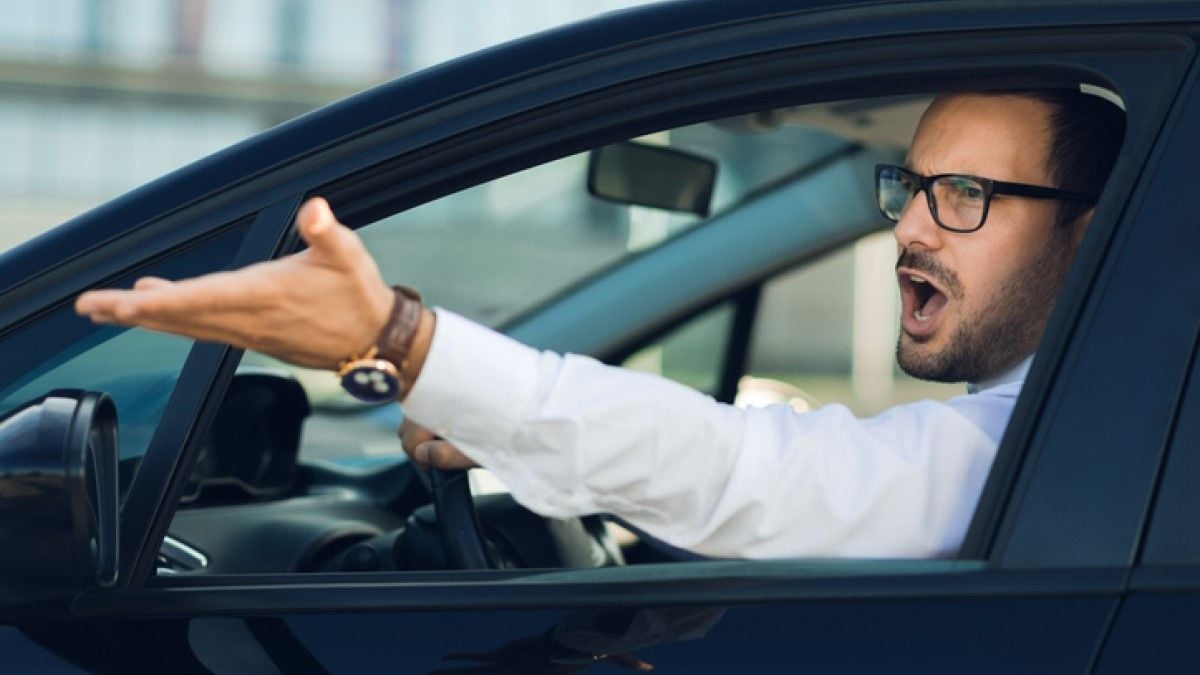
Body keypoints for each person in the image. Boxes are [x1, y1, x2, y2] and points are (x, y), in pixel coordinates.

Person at [75, 89, 1124, 559]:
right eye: (913, 187)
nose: (913, 230)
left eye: (968, 195)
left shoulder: (1067, 453)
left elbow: (749, 476)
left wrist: (403, 342)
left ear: (1083, 236)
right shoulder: (1087, 431)